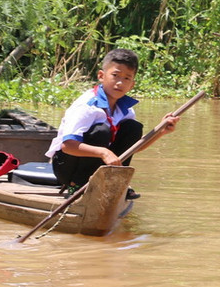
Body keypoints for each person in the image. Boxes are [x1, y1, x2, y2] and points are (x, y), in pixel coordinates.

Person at [46, 48, 179, 199]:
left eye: (127, 78)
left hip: (97, 164)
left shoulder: (125, 109)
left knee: (133, 128)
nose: (120, 82)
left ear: (132, 85)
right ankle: (78, 186)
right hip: (66, 167)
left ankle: (116, 182)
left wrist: (161, 131)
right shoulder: (87, 105)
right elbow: (68, 146)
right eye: (115, 75)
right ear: (101, 76)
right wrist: (104, 152)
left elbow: (134, 147)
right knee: (101, 131)